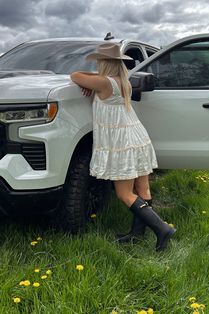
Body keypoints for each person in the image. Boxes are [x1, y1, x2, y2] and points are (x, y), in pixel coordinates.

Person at [70, 43, 175, 251]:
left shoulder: (103, 82)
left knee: (124, 194)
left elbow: (74, 75)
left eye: (100, 61)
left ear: (104, 63)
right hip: (137, 137)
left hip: (122, 144)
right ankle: (137, 235)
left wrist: (91, 78)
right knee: (142, 188)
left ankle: (162, 228)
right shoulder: (123, 81)